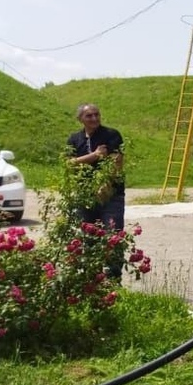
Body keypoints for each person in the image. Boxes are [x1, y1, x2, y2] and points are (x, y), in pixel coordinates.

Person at [67, 103, 126, 280]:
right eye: (89, 116)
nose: (94, 118)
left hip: (110, 195)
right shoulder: (74, 139)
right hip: (85, 195)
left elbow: (117, 161)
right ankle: (93, 279)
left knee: (113, 235)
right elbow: (68, 164)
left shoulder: (111, 135)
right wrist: (94, 155)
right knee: (88, 236)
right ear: (81, 119)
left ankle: (114, 280)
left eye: (96, 115)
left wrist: (105, 184)